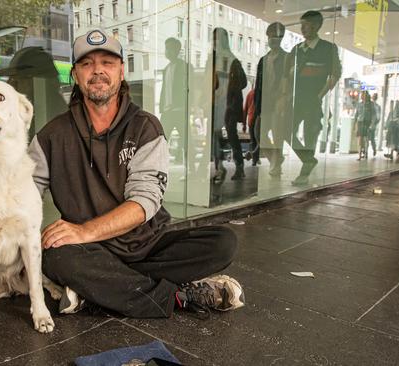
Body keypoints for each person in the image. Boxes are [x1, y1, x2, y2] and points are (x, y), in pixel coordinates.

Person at [28, 29, 244, 319]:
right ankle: (178, 296)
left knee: (223, 242)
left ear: (121, 71)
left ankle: (101, 293)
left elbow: (144, 203)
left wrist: (84, 230)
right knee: (54, 257)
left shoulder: (145, 127)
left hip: (148, 243)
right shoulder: (50, 136)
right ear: (76, 75)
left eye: (107, 62)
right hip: (90, 251)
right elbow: (22, 195)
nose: (98, 71)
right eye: (87, 64)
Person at [288, 11, 342, 185]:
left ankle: (304, 173)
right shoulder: (297, 50)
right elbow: (286, 74)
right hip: (296, 99)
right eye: (301, 24)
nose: (303, 28)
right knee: (287, 131)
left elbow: (335, 74)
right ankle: (308, 159)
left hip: (313, 100)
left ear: (317, 26)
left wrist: (320, 95)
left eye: (307, 24)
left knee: (310, 134)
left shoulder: (327, 48)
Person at [204, 28, 247, 183]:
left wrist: (230, 87)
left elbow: (243, 82)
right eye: (213, 38)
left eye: (218, 38)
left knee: (231, 135)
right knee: (215, 136)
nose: (215, 42)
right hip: (215, 104)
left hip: (229, 104)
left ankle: (239, 166)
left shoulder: (232, 59)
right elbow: (205, 82)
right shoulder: (212, 59)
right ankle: (219, 167)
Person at [254, 22, 291, 177]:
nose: (273, 40)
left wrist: (284, 99)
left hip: (279, 102)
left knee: (277, 135)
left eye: (276, 37)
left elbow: (289, 81)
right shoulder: (263, 60)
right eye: (271, 36)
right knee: (259, 133)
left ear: (281, 38)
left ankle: (276, 165)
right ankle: (276, 159)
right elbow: (258, 85)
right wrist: (257, 106)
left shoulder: (286, 58)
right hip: (265, 102)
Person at [160, 38, 193, 166]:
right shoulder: (166, 69)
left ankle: (190, 169)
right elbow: (165, 90)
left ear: (176, 50)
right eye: (166, 48)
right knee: (161, 141)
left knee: (186, 141)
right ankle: (159, 168)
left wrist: (188, 107)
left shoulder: (185, 67)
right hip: (167, 111)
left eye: (169, 48)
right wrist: (162, 106)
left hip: (179, 111)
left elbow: (191, 88)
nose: (166, 51)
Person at [354, 91, 375, 161]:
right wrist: (355, 124)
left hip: (367, 123)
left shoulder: (371, 105)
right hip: (360, 123)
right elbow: (356, 115)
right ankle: (359, 154)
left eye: (364, 95)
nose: (362, 96)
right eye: (362, 95)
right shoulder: (359, 104)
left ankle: (365, 153)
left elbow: (373, 115)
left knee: (366, 139)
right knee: (360, 139)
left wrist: (372, 124)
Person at [370, 93, 382, 158]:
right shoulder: (370, 105)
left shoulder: (377, 106)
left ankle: (374, 149)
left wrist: (375, 123)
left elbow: (378, 117)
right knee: (369, 138)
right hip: (369, 123)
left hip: (373, 124)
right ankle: (365, 151)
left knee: (372, 138)